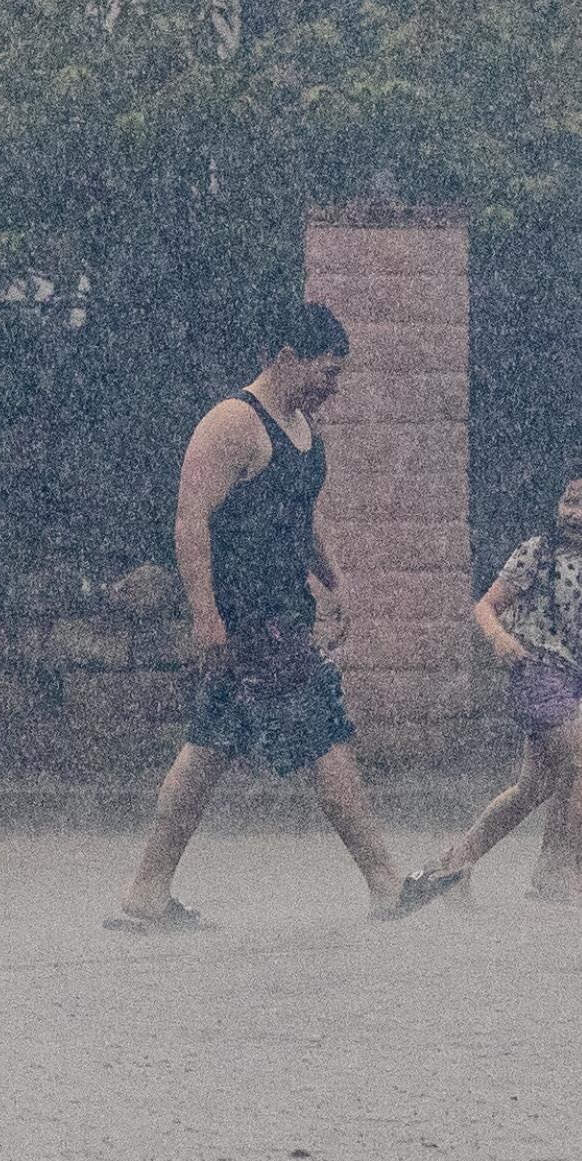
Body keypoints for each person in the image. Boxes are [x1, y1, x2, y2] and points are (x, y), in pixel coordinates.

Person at [109, 301, 460, 933]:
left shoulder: (304, 429)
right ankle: (385, 883)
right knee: (326, 737)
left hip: (284, 613)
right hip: (252, 622)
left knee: (206, 752)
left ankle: (146, 894)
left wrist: (331, 580)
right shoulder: (233, 424)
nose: (334, 387)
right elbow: (191, 523)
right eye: (328, 371)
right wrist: (205, 616)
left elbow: (299, 518)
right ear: (286, 356)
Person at [429, 463, 582, 900]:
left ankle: (458, 861)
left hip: (567, 680)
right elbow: (485, 607)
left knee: (533, 788)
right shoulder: (537, 552)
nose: (579, 513)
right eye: (570, 501)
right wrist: (499, 641)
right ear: (553, 505)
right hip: (536, 674)